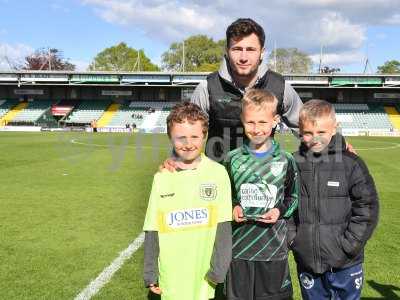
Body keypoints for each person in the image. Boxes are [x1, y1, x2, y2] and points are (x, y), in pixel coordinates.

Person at [289, 99, 379, 300]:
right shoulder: (293, 163)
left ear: (334, 128)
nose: (315, 139)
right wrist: (294, 239)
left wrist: (350, 246)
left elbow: (368, 208)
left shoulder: (351, 163)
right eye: (308, 133)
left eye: (321, 132)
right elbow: (287, 204)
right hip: (308, 261)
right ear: (300, 131)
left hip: (346, 263)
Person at [143, 102, 233, 300]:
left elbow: (223, 226)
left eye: (194, 136)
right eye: (180, 137)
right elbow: (152, 228)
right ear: (170, 137)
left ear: (205, 136)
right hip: (170, 275)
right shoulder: (162, 177)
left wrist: (219, 268)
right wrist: (150, 272)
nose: (188, 143)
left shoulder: (218, 174)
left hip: (204, 275)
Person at [191, 18, 303, 162]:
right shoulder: (207, 88)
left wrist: (335, 152)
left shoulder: (281, 87)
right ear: (227, 51)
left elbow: (308, 128)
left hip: (263, 178)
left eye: (250, 49)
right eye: (237, 49)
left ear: (262, 52)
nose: (243, 57)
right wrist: (176, 159)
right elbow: (188, 133)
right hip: (220, 179)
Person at [226, 89, 299, 300]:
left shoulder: (286, 160)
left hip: (273, 250)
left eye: (263, 122)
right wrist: (234, 205)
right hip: (239, 249)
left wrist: (279, 211)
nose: (256, 129)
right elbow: (225, 195)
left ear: (275, 121)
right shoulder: (232, 159)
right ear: (242, 120)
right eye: (250, 122)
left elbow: (293, 197)